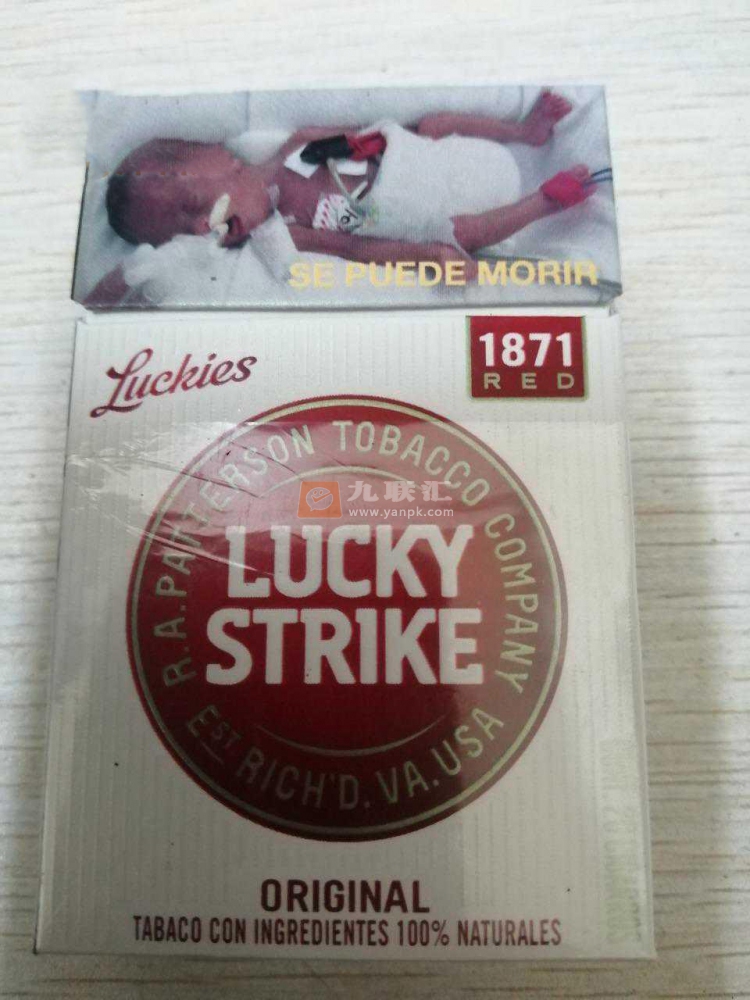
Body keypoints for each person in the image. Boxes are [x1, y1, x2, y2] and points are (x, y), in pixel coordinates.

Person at [87, 91, 595, 305]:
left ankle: (526, 133)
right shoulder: (285, 232)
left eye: (190, 205)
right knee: (461, 234)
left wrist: (387, 144)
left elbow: (383, 133)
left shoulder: (298, 143)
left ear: (225, 157)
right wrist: (426, 256)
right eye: (185, 233)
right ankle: (546, 202)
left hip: (445, 160)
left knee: (434, 123)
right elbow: (355, 250)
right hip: (426, 213)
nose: (202, 228)